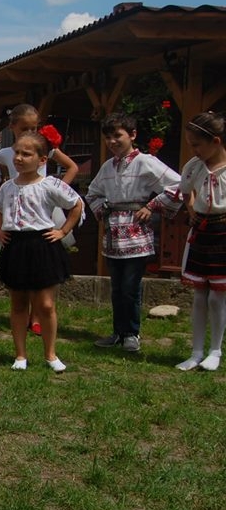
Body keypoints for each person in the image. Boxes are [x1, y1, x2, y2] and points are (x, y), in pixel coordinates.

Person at [86, 113, 180, 353]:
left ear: (132, 135)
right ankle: (118, 331)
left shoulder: (145, 162)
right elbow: (93, 193)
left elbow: (177, 185)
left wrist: (152, 206)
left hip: (136, 233)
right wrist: (102, 211)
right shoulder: (108, 167)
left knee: (131, 287)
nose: (113, 141)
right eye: (108, 137)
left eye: (118, 135)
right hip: (114, 235)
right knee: (117, 288)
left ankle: (132, 333)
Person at [0, 132, 84, 372]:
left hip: (42, 244)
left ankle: (50, 353)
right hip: (15, 246)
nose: (19, 158)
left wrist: (63, 231)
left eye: (26, 154)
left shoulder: (50, 184)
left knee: (44, 304)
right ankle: (20, 355)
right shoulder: (7, 187)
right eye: (17, 153)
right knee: (18, 302)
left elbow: (76, 205)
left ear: (42, 160)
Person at [154, 112, 226, 371]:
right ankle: (196, 351)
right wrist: (193, 210)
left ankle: (215, 351)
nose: (193, 150)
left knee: (218, 296)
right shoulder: (193, 167)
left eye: (197, 144)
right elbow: (186, 193)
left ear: (216, 141)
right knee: (199, 294)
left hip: (223, 232)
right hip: (202, 232)